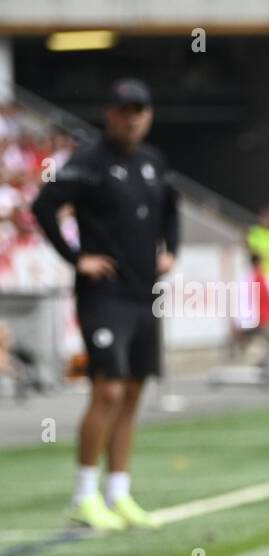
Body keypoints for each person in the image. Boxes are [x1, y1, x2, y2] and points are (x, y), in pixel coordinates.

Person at [32, 78, 179, 531]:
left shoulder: (154, 163)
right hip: (105, 294)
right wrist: (78, 259)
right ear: (110, 113)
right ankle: (83, 494)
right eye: (124, 110)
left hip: (142, 293)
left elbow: (171, 209)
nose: (132, 118)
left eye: (140, 110)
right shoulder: (89, 162)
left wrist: (169, 249)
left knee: (133, 390)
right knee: (107, 388)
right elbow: (43, 206)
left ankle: (119, 491)